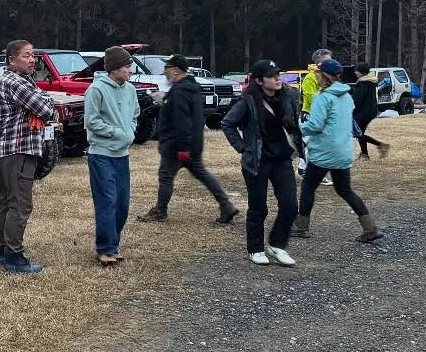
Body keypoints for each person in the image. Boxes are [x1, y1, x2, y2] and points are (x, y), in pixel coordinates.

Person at [220, 59, 303, 267]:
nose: (278, 79)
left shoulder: (289, 96)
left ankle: (277, 245)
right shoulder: (247, 101)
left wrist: (299, 148)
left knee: (290, 205)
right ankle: (255, 249)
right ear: (258, 80)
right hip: (257, 161)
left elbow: (294, 125)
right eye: (272, 76)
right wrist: (242, 147)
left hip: (282, 158)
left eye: (279, 74)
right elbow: (227, 123)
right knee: (258, 207)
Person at [138, 54, 239, 225]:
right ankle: (226, 206)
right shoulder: (191, 87)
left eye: (167, 69)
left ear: (175, 70)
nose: (165, 73)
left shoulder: (179, 92)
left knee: (165, 177)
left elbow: (182, 121)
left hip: (177, 145)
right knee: (203, 175)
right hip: (192, 143)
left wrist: (183, 148)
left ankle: (160, 212)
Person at [0, 38, 64, 275]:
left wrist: (43, 101)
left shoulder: (18, 80)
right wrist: (47, 104)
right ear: (12, 60)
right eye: (26, 55)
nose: (32, 60)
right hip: (17, 150)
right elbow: (45, 108)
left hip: (6, 151)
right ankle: (14, 258)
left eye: (33, 55)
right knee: (20, 204)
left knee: (7, 202)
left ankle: (2, 252)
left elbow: (41, 100)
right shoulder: (15, 82)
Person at [294, 59, 385, 243]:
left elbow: (315, 125)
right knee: (345, 190)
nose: (316, 76)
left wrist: (298, 127)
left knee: (308, 187)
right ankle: (370, 227)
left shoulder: (323, 97)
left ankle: (301, 227)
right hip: (342, 151)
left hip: (323, 152)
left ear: (324, 76)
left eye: (318, 73)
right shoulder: (346, 96)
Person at [85, 45, 140, 266]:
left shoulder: (131, 90)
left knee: (122, 203)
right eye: (127, 66)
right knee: (107, 200)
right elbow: (91, 121)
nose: (130, 70)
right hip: (101, 154)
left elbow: (135, 114)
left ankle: (113, 243)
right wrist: (116, 133)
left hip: (122, 155)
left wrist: (131, 132)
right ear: (114, 68)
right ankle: (105, 248)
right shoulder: (96, 90)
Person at [348, 63, 390, 160]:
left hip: (363, 113)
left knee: (357, 133)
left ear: (362, 72)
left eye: (357, 70)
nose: (355, 72)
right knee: (360, 133)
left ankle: (381, 145)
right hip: (370, 111)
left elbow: (357, 100)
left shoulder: (363, 83)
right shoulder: (371, 82)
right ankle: (365, 155)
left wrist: (349, 97)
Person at [300, 48, 333, 119]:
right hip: (311, 115)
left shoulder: (329, 76)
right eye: (328, 61)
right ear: (319, 63)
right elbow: (311, 99)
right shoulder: (310, 78)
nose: (331, 63)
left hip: (324, 114)